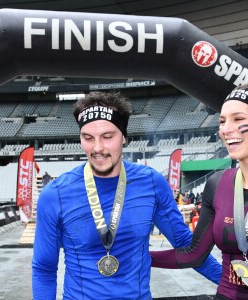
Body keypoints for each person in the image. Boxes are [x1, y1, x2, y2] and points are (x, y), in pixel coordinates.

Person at [32, 91, 221, 300]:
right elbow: (44, 268)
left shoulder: (151, 183)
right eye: (88, 138)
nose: (97, 148)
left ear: (124, 137)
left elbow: (187, 246)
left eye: (107, 137)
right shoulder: (55, 194)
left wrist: (236, 286)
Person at [150, 84, 248, 299]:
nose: (225, 129)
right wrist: (138, 256)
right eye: (222, 121)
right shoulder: (218, 184)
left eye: (238, 119)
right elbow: (194, 255)